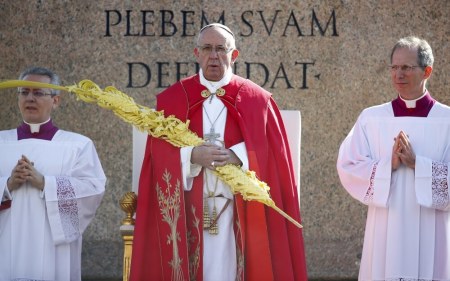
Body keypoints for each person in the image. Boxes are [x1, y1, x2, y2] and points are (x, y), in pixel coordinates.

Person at [130, 23, 308, 281]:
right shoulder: (173, 100)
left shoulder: (257, 100)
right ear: (196, 53)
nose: (214, 55)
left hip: (239, 211)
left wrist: (239, 156)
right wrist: (192, 155)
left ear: (234, 55)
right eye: (207, 48)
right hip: (188, 209)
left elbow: (273, 154)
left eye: (221, 49)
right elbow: (158, 155)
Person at [337, 36, 450, 280]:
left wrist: (418, 165)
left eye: (407, 67)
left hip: (433, 226)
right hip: (387, 225)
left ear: (427, 71)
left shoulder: (447, 120)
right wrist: (389, 166)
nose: (399, 74)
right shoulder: (372, 118)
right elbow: (348, 165)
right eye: (394, 67)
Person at [0, 67, 106, 281]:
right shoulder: (2, 142)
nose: (30, 98)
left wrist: (46, 184)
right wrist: (8, 185)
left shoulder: (78, 145)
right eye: (24, 92)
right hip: (7, 240)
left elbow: (93, 190)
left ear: (56, 101)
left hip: (53, 248)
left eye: (38, 93)